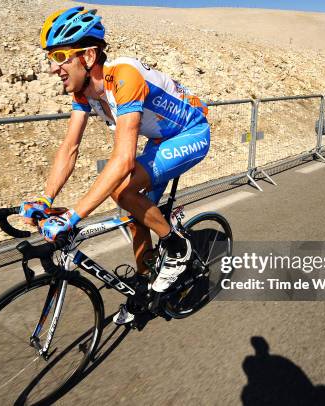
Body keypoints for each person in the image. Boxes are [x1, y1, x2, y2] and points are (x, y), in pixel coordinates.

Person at [19, 6, 210, 324]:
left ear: (89, 56)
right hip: (161, 139)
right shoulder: (84, 93)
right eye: (50, 59)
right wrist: (45, 199)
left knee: (122, 189)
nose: (54, 69)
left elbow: (122, 159)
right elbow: (70, 148)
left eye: (60, 57)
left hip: (191, 132)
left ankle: (178, 248)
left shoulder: (124, 76)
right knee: (134, 211)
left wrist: (72, 216)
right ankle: (147, 284)